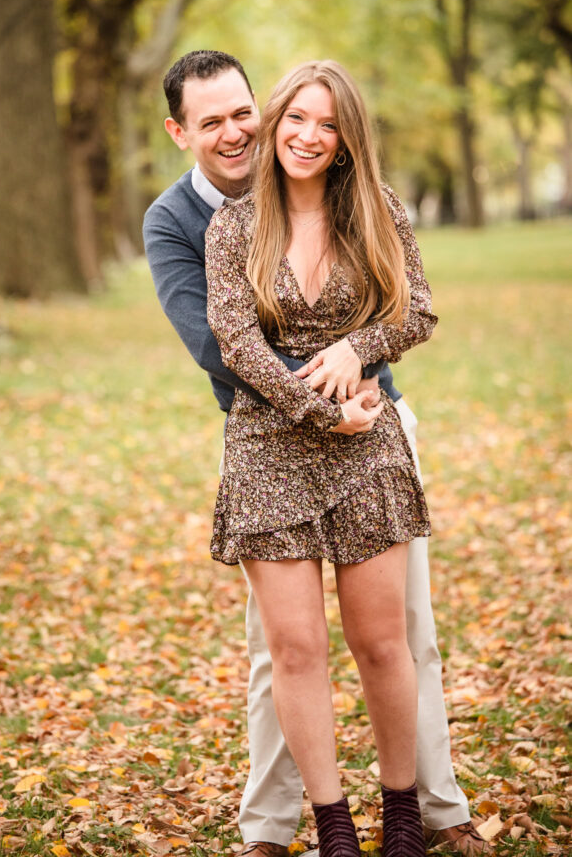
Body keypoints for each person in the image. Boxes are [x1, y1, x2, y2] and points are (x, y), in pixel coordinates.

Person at [143, 49, 491, 857]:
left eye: (245, 113)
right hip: (270, 443)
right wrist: (319, 409)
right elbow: (221, 343)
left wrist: (357, 356)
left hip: (372, 429)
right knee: (285, 651)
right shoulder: (196, 222)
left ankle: (429, 812)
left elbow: (414, 308)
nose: (239, 131)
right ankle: (289, 826)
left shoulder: (369, 206)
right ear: (179, 132)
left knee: (399, 637)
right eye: (212, 121)